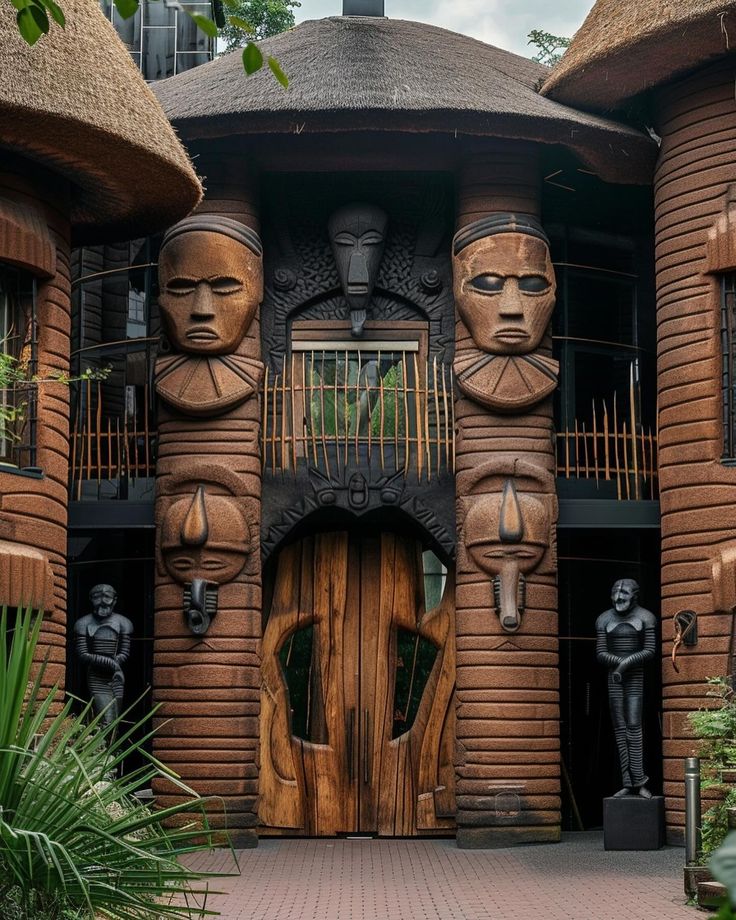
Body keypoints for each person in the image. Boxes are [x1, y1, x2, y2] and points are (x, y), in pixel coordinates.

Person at [596, 578, 656, 797]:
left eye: (624, 594)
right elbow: (600, 653)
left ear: (635, 596)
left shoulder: (646, 617)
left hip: (634, 679)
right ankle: (627, 781)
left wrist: (625, 665)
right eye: (615, 593)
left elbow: (649, 651)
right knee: (620, 729)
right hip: (615, 679)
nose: (618, 597)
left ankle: (640, 781)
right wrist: (618, 666)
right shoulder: (603, 619)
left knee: (634, 727)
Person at [74, 584, 133, 730]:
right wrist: (112, 664)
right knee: (106, 720)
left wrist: (116, 665)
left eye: (106, 597)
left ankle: (111, 751)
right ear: (90, 599)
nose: (102, 601)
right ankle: (102, 750)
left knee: (115, 719)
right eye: (97, 597)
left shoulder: (123, 623)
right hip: (97, 676)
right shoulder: (83, 623)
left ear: (114, 600)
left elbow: (124, 652)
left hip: (115, 677)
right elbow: (83, 654)